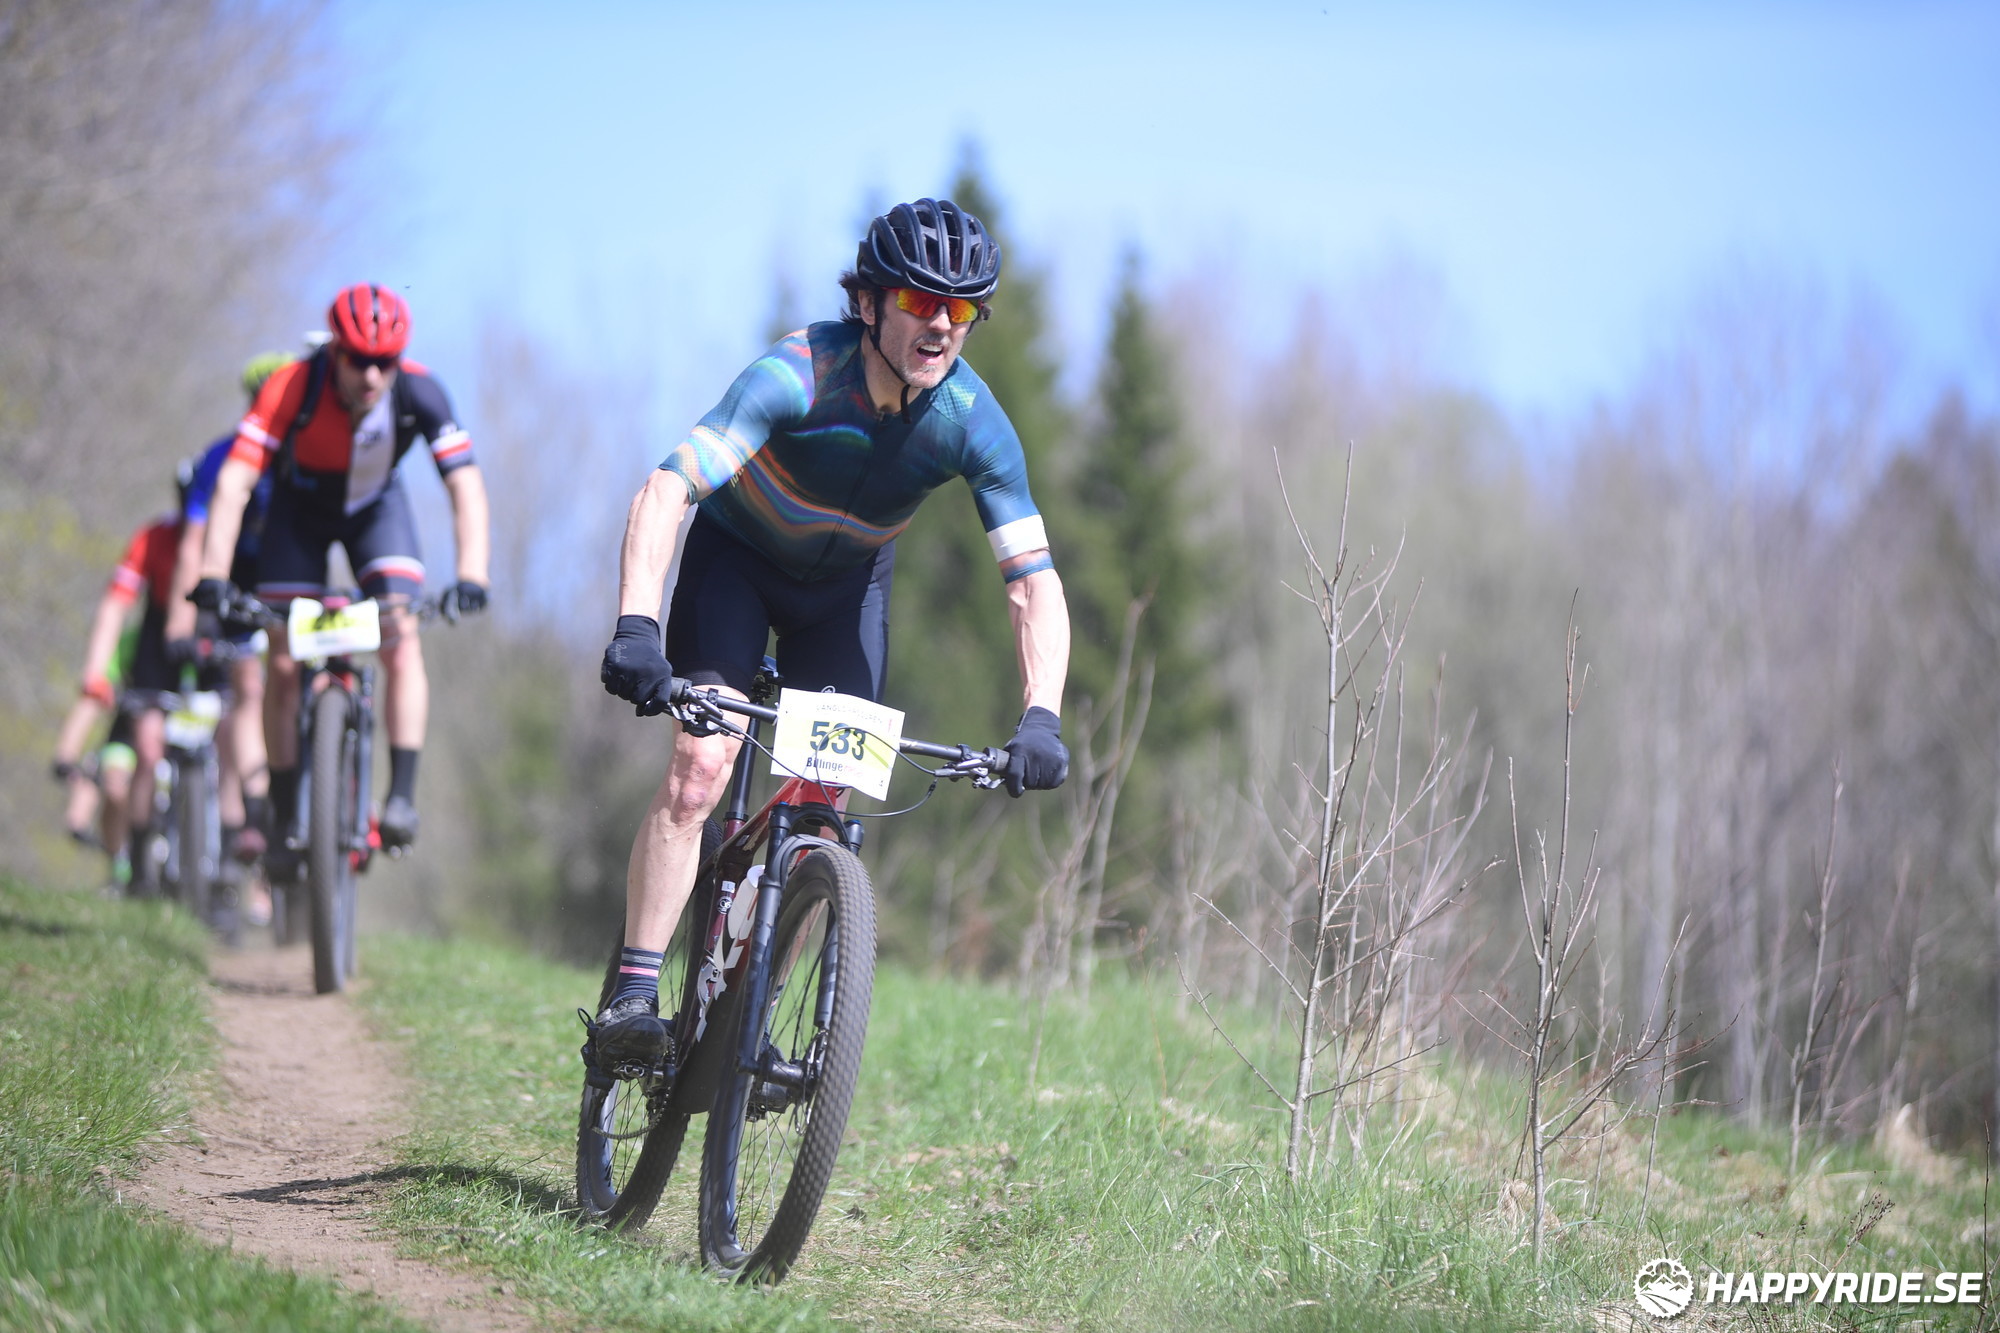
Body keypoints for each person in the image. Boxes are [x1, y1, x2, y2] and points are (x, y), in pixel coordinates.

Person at [591, 198, 1073, 1066]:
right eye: (920, 301)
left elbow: (1032, 580)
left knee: (824, 806)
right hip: (737, 566)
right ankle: (632, 994)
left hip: (847, 593)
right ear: (868, 302)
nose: (941, 324)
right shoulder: (799, 374)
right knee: (702, 768)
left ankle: (749, 1013)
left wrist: (1043, 715)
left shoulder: (971, 419)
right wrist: (636, 624)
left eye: (962, 309)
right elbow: (667, 489)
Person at [191, 284, 491, 855]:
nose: (372, 376)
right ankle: (283, 809)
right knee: (282, 658)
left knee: (401, 635)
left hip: (377, 511)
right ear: (334, 349)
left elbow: (465, 485)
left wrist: (473, 574)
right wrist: (212, 575)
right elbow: (235, 481)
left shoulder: (421, 391)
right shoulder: (292, 385)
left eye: (385, 362)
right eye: (358, 360)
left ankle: (400, 798)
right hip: (298, 513)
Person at [164, 351, 293, 868]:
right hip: (238, 579)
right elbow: (192, 543)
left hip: (292, 570)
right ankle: (255, 811)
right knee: (248, 686)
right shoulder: (220, 457)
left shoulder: (309, 450)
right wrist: (180, 619)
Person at [57, 495, 188, 886]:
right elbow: (93, 696)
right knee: (112, 777)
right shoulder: (132, 643)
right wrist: (65, 756)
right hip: (131, 719)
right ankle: (121, 863)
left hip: (186, 710)